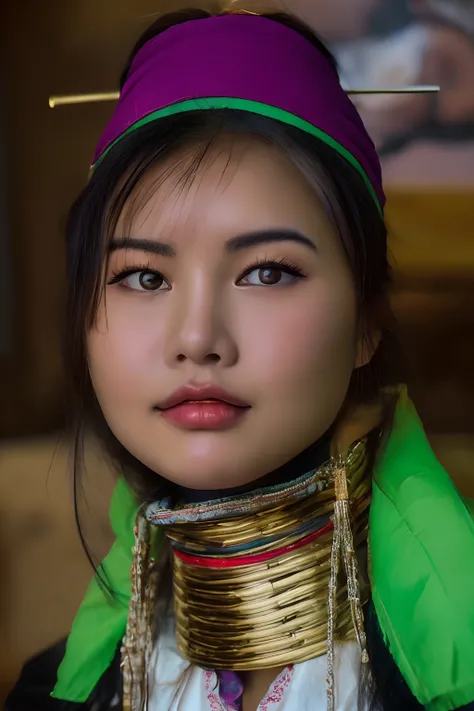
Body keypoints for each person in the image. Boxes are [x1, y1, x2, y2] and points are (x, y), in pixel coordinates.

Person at [6, 7, 474, 711]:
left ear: (365, 325)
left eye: (266, 271)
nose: (197, 337)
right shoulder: (58, 689)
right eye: (144, 276)